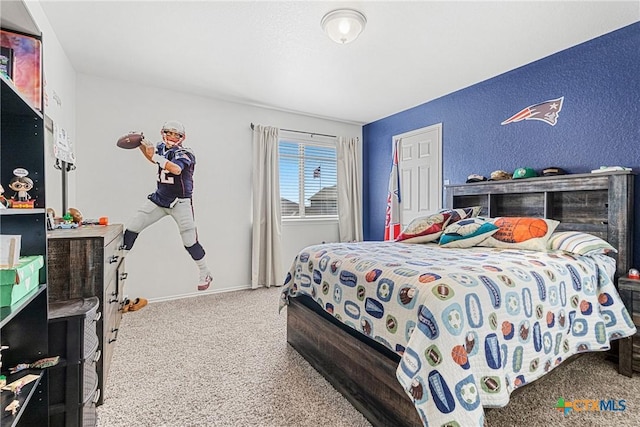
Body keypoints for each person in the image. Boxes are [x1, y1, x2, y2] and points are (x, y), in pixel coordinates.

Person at [121, 120, 213, 291]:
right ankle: (118, 262)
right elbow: (152, 158)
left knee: (189, 242)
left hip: (180, 202)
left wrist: (153, 155)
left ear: (182, 137)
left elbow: (176, 169)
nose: (171, 137)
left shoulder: (186, 153)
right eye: (169, 133)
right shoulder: (161, 148)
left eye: (175, 134)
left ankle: (205, 271)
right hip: (159, 198)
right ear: (163, 133)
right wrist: (141, 144)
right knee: (133, 227)